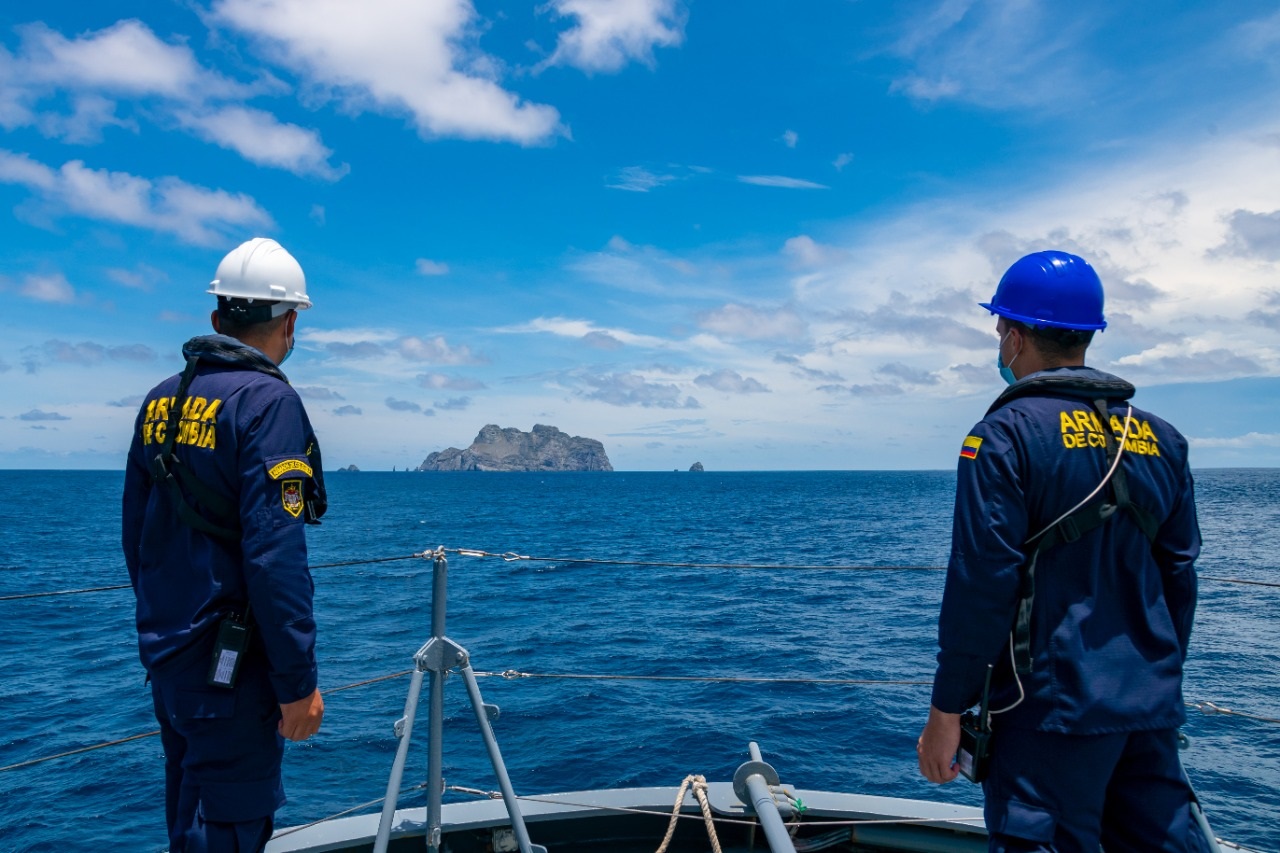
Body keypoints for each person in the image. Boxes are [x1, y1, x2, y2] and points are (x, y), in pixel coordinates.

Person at [916, 250, 1206, 851]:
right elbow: (1179, 575)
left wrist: (947, 711)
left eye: (1000, 332)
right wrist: (1157, 673)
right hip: (1148, 704)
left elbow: (982, 579)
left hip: (1049, 709)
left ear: (1015, 337)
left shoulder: (1003, 435)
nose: (1000, 346)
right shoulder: (1163, 439)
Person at [122, 237, 327, 852]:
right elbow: (276, 555)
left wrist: (164, 629)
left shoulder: (161, 398)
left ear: (217, 318)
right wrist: (297, 682)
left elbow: (138, 535)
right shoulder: (269, 402)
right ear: (290, 323)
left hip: (170, 655)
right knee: (230, 829)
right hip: (230, 671)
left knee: (187, 816)